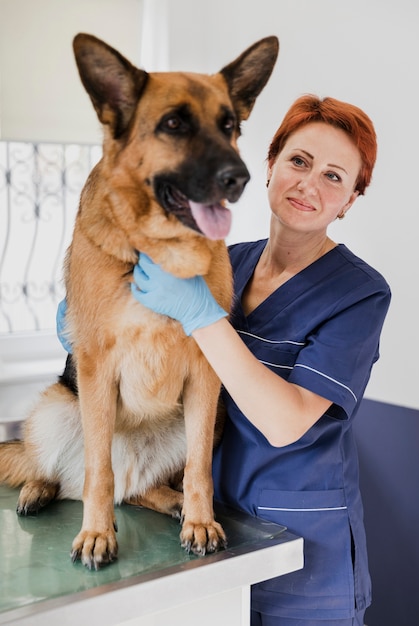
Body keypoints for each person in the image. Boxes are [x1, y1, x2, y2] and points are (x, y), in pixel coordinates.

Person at [59, 95, 390, 625]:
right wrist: (88, 312)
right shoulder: (225, 260)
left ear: (351, 198)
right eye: (299, 161)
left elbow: (285, 423)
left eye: (335, 177)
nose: (309, 185)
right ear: (270, 166)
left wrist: (201, 315)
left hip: (303, 557)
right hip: (203, 533)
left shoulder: (360, 294)